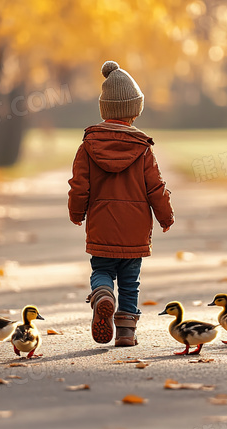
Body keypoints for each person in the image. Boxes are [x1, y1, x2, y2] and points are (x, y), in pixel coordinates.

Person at [68, 60, 175, 347]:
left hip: (102, 228)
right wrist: (166, 217)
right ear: (134, 111)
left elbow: (79, 186)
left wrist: (77, 213)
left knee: (101, 270)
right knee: (130, 282)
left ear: (106, 109)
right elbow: (156, 188)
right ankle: (126, 333)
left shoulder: (88, 146)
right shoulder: (143, 149)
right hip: (134, 231)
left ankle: (102, 294)